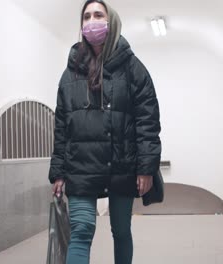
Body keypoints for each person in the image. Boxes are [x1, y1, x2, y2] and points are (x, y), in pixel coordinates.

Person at [48, 0, 161, 263]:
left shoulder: (133, 68)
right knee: (82, 230)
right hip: (81, 166)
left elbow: (148, 120)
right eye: (86, 16)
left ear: (111, 22)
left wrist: (146, 167)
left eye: (98, 15)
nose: (91, 21)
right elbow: (62, 126)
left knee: (121, 231)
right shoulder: (70, 74)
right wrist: (58, 171)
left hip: (121, 163)